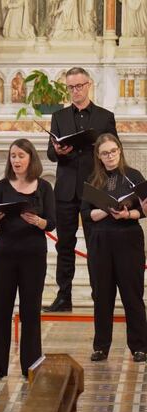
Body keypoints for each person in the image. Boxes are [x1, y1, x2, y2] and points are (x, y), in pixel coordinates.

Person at [45, 67, 118, 312]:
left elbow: (113, 153)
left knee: (96, 244)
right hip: (66, 189)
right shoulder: (59, 117)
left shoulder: (104, 116)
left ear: (89, 85)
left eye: (79, 86)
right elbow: (49, 153)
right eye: (71, 87)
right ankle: (64, 296)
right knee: (64, 244)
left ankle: (100, 295)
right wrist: (58, 151)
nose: (75, 91)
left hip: (94, 188)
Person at [0, 139, 56, 378]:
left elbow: (52, 223)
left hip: (33, 254)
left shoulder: (44, 187)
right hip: (4, 252)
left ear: (30, 159)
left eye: (20, 156)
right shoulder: (2, 186)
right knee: (0, 307)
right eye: (12, 156)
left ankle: (31, 364)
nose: (16, 160)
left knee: (30, 309)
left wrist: (38, 221)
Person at [82, 134, 147, 363]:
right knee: (102, 296)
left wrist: (128, 213)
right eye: (105, 153)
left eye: (113, 151)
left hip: (129, 239)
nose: (110, 156)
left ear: (119, 150)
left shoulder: (133, 176)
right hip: (101, 241)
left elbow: (144, 211)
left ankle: (139, 346)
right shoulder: (94, 179)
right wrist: (107, 210)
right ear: (99, 157)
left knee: (132, 294)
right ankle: (101, 347)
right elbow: (86, 215)